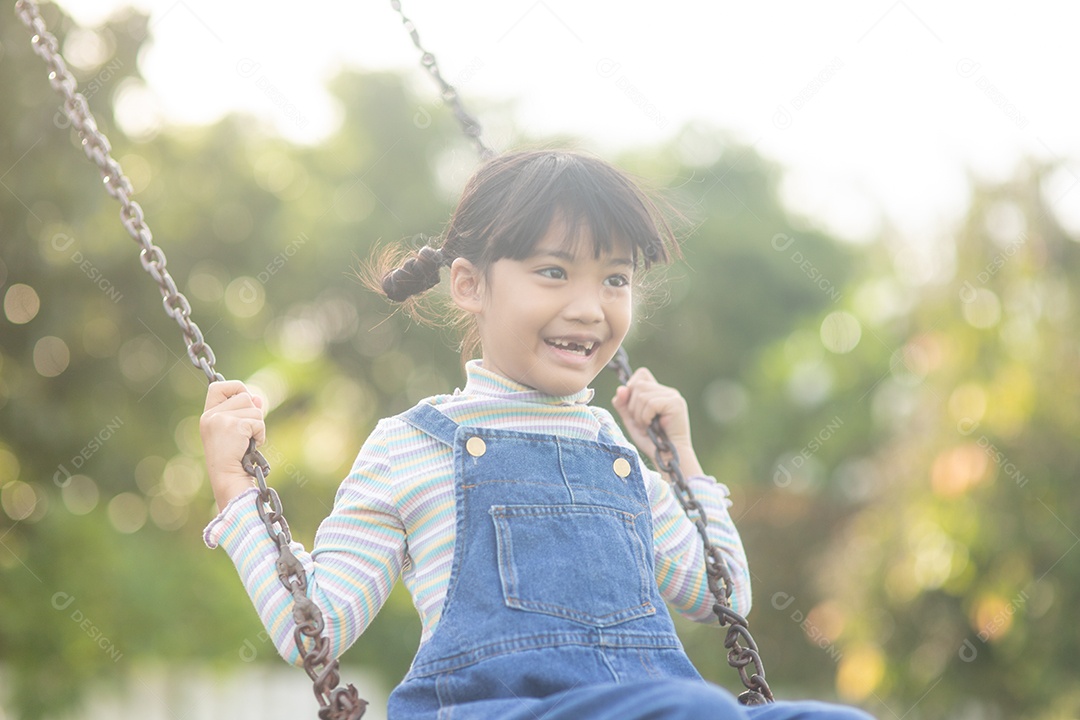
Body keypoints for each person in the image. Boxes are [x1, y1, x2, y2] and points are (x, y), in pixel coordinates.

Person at [200, 150, 873, 719]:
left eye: (616, 279)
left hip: (644, 706)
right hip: (494, 708)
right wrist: (236, 491)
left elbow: (719, 596)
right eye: (553, 272)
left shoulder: (619, 458)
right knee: (695, 711)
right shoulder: (413, 445)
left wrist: (684, 461)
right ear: (469, 284)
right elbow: (315, 625)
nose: (587, 306)